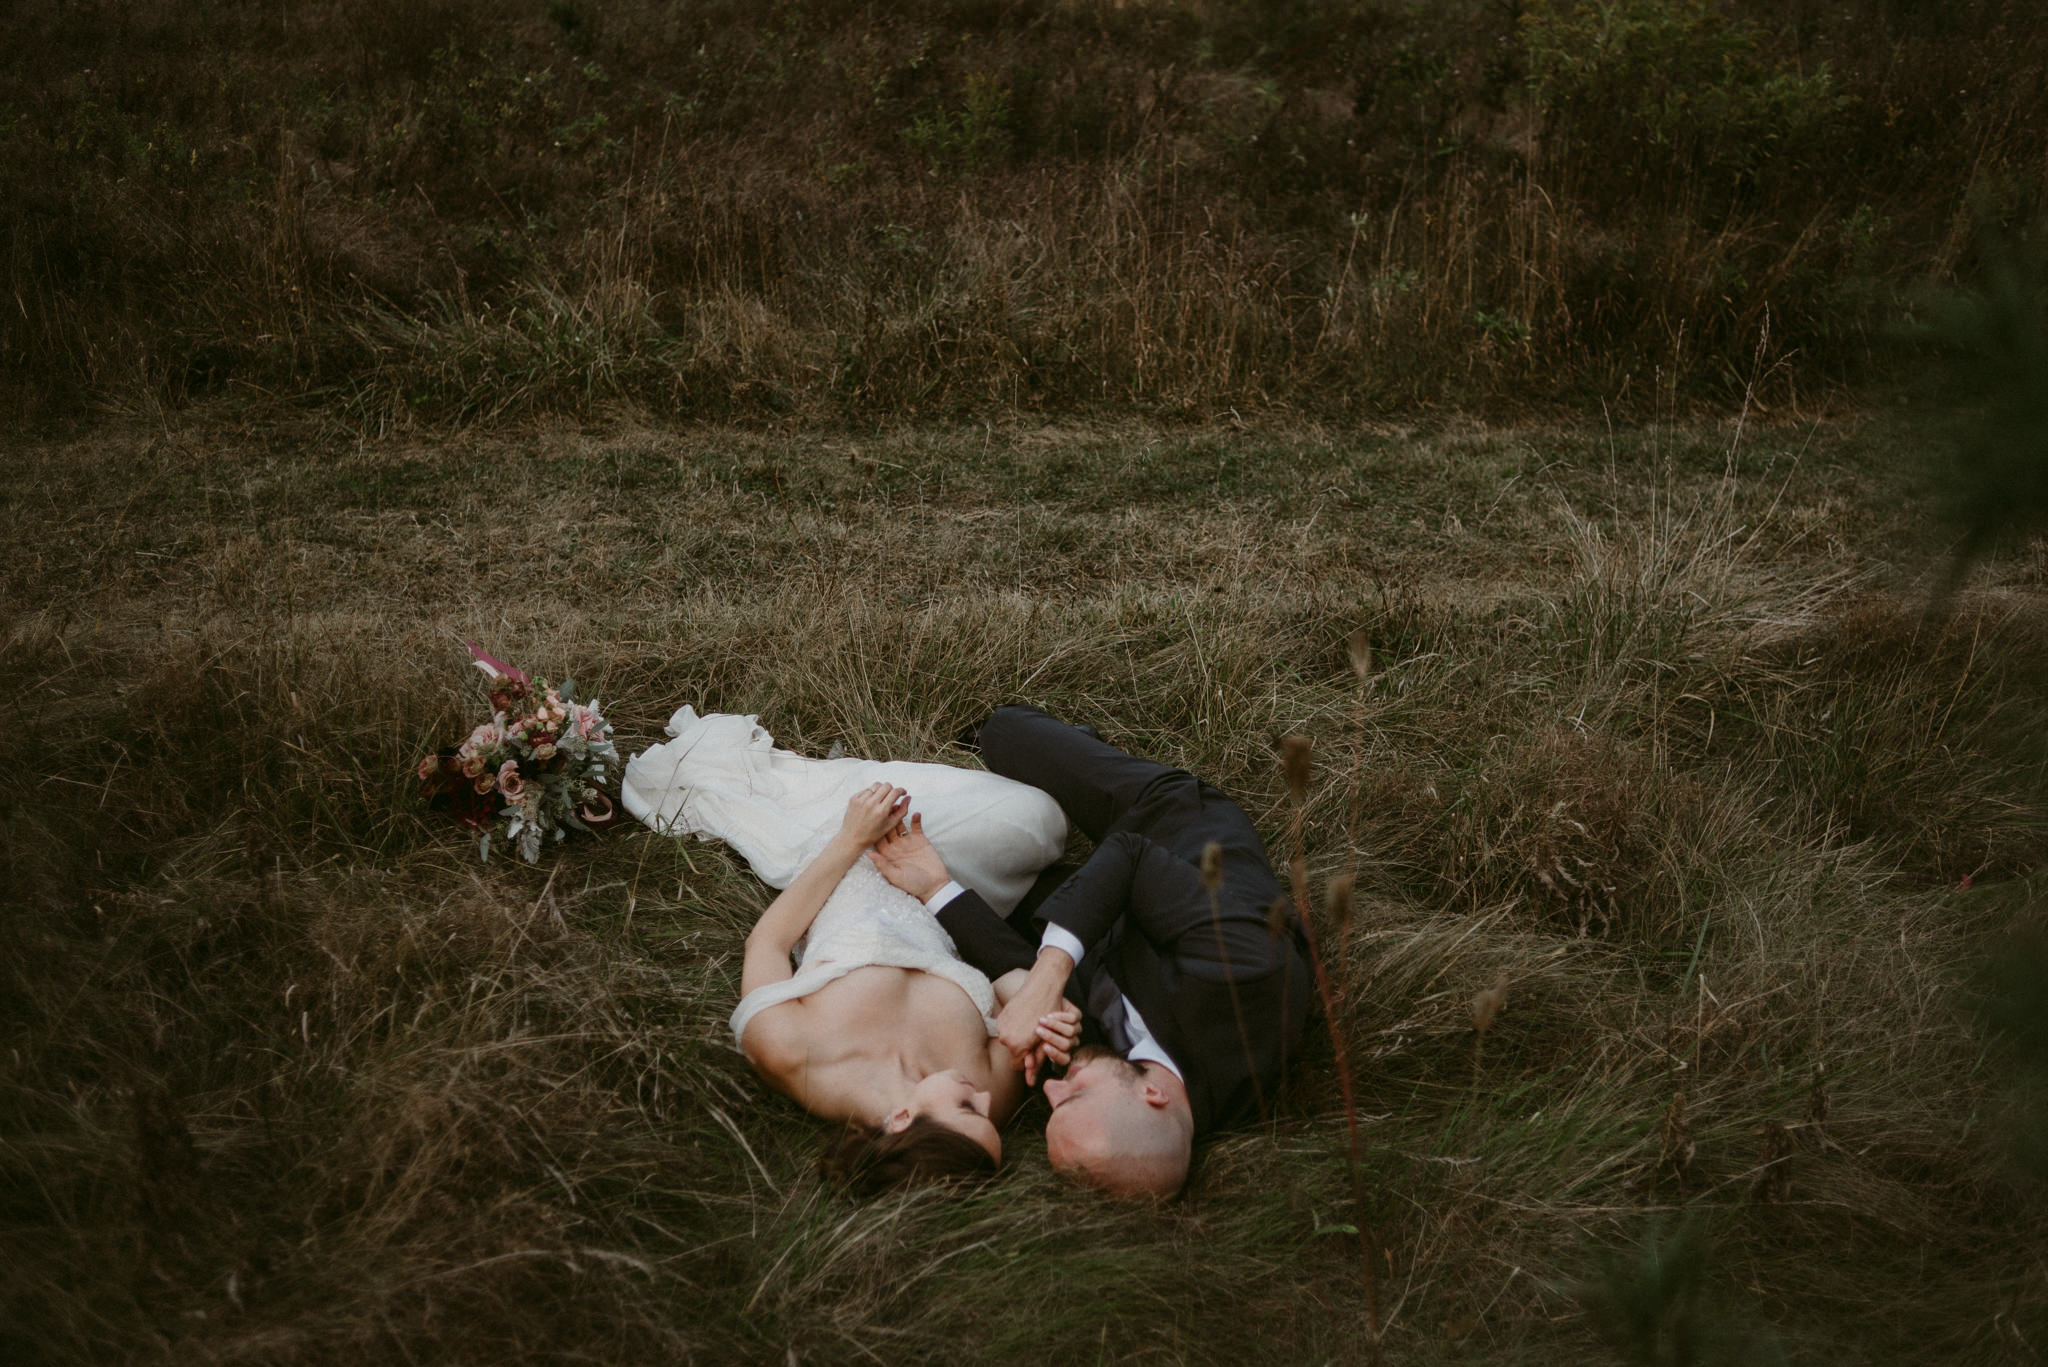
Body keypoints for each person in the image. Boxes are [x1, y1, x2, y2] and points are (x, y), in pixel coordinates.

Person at [620, 708, 1078, 1192]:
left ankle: (847, 801)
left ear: (901, 1117)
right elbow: (1017, 984)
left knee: (904, 805)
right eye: (986, 1117)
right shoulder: (994, 1092)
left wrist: (851, 836)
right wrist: (1045, 1003)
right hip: (948, 880)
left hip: (841, 859)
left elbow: (770, 943)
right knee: (1044, 821)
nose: (986, 1104)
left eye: (968, 1112)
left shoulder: (792, 1055)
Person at [868, 704, 1313, 1197]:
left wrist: (935, 888)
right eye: (1073, 1096)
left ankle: (1052, 874)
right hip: (1170, 837)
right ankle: (1077, 747)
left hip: (1107, 938)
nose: (1052, 1088)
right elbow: (1130, 856)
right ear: (1152, 1097)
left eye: (1054, 1103)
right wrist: (1047, 980)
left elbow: (1025, 978)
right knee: (1003, 732)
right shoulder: (1249, 978)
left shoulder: (1135, 1107)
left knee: (979, 874)